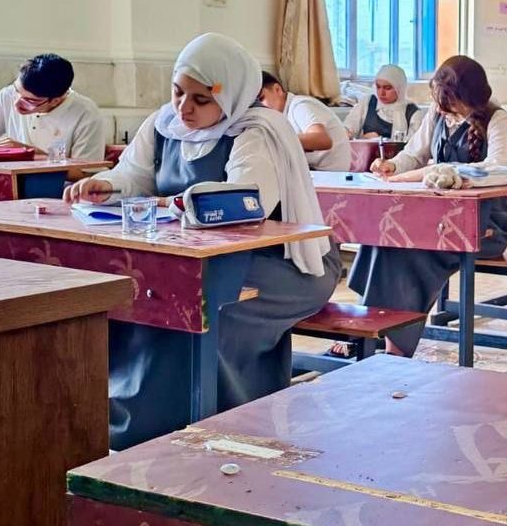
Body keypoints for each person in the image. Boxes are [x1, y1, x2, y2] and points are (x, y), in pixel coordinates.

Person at [63, 33, 341, 450]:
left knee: (197, 308)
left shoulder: (256, 130)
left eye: (201, 99)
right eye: (178, 92)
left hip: (279, 262)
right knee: (140, 296)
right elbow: (134, 175)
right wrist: (107, 185)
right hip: (193, 258)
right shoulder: (163, 125)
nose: (184, 107)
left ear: (229, 97)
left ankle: (218, 419)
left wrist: (170, 203)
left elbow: (246, 202)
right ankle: (139, 422)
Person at [346, 56, 507, 357]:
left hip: (484, 225)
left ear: (466, 96)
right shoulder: (437, 115)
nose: (441, 107)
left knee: (410, 254)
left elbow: (501, 168)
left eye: (448, 101)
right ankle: (367, 328)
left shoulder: (495, 118)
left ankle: (395, 346)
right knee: (382, 239)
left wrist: (451, 172)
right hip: (437, 219)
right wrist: (392, 166)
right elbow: (414, 155)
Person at [0, 53, 105, 164]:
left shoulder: (86, 114)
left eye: (30, 101)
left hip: (58, 183)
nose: (16, 103)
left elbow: (84, 172)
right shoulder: (7, 95)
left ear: (55, 101)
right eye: (16, 91)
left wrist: (30, 154)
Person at [257, 71, 351, 171]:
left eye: (261, 98)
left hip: (330, 174)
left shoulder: (300, 105)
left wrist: (275, 140)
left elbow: (322, 140)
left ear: (277, 89)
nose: (260, 107)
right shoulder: (280, 116)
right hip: (314, 172)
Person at [343, 64, 423, 141]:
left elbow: (414, 145)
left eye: (387, 88)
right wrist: (360, 139)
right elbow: (348, 129)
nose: (381, 93)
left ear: (399, 88)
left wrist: (381, 141)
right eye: (378, 87)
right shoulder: (368, 102)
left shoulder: (412, 112)